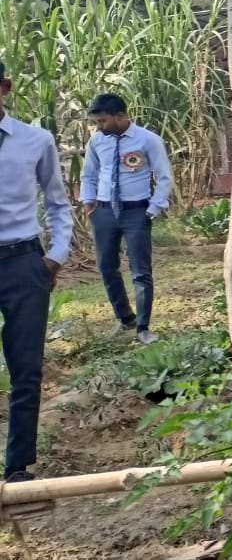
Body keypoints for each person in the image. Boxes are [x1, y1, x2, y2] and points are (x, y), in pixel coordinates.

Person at [0, 59, 73, 482]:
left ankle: (17, 467)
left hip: (23, 265)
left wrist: (56, 255)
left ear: (5, 87)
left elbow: (58, 202)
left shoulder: (35, 140)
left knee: (26, 369)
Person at [80, 93, 172, 346]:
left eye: (103, 121)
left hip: (136, 212)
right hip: (103, 211)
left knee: (140, 270)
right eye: (97, 122)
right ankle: (125, 318)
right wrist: (89, 202)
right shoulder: (97, 141)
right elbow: (89, 174)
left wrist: (153, 208)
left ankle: (143, 327)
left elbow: (164, 176)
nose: (99, 126)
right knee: (106, 267)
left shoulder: (148, 140)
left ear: (120, 116)